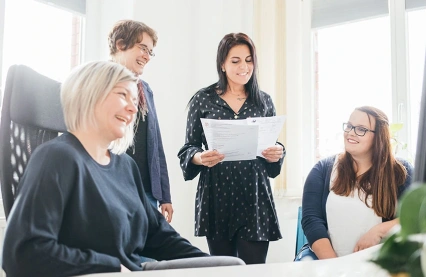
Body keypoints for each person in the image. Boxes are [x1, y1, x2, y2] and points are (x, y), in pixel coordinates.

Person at [1, 61, 244, 276]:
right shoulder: (56, 159)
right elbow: (23, 253)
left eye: (134, 100)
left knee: (234, 268)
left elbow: (159, 236)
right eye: (122, 95)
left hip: (131, 270)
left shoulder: (125, 166)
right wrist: (111, 267)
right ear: (89, 95)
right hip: (107, 273)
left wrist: (211, 266)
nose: (133, 108)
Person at [177, 33, 286, 265]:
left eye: (248, 60)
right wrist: (199, 157)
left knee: (254, 270)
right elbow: (189, 147)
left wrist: (277, 152)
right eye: (235, 61)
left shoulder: (264, 101)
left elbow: (272, 150)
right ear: (222, 64)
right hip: (217, 195)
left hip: (254, 196)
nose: (243, 66)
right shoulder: (202, 99)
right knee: (223, 269)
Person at [296, 106, 413, 261]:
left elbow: (414, 216)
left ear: (379, 136)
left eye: (361, 129)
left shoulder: (400, 171)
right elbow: (311, 220)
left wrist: (378, 231)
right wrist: (334, 265)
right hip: (327, 261)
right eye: (349, 126)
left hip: (379, 260)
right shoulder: (323, 169)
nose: (351, 132)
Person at [108, 19, 173, 222]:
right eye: (143, 48)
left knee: (147, 251)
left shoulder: (146, 90)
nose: (147, 56)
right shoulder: (100, 81)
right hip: (113, 186)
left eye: (150, 52)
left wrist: (164, 195)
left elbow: (156, 146)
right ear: (120, 44)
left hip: (147, 192)